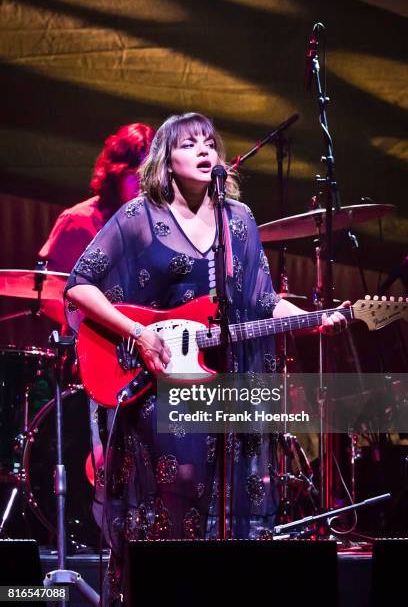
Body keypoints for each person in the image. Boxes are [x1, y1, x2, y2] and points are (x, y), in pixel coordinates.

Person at [65, 112, 348, 603]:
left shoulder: (237, 221)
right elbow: (78, 285)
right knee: (177, 493)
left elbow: (262, 301)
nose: (203, 150)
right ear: (166, 160)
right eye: (189, 143)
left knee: (230, 503)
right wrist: (139, 332)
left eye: (209, 143)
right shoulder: (139, 216)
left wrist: (312, 317)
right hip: (158, 386)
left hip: (220, 386)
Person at [37, 123, 154, 325]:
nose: (143, 186)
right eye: (135, 176)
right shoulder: (78, 221)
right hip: (93, 346)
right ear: (116, 173)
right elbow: (50, 295)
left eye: (150, 177)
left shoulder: (160, 225)